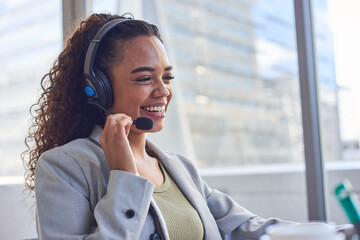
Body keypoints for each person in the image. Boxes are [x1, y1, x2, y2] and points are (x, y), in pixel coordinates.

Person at [22, 13, 354, 240]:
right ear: (98, 87)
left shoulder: (179, 168)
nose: (163, 90)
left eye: (166, 77)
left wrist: (338, 233)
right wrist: (124, 178)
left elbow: (246, 227)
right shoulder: (65, 167)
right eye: (144, 78)